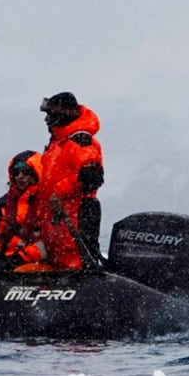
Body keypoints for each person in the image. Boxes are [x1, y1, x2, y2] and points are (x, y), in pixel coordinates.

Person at [36, 91, 105, 269]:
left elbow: (92, 176)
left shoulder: (80, 141)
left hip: (76, 214)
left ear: (63, 115)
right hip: (59, 218)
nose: (46, 120)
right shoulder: (57, 144)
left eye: (50, 114)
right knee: (59, 260)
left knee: (75, 262)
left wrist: (59, 192)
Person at [0, 150, 47, 268]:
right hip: (6, 259)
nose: (20, 176)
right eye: (16, 173)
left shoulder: (46, 202)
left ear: (35, 174)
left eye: (25, 172)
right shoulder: (5, 202)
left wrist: (22, 257)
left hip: (35, 262)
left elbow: (49, 241)